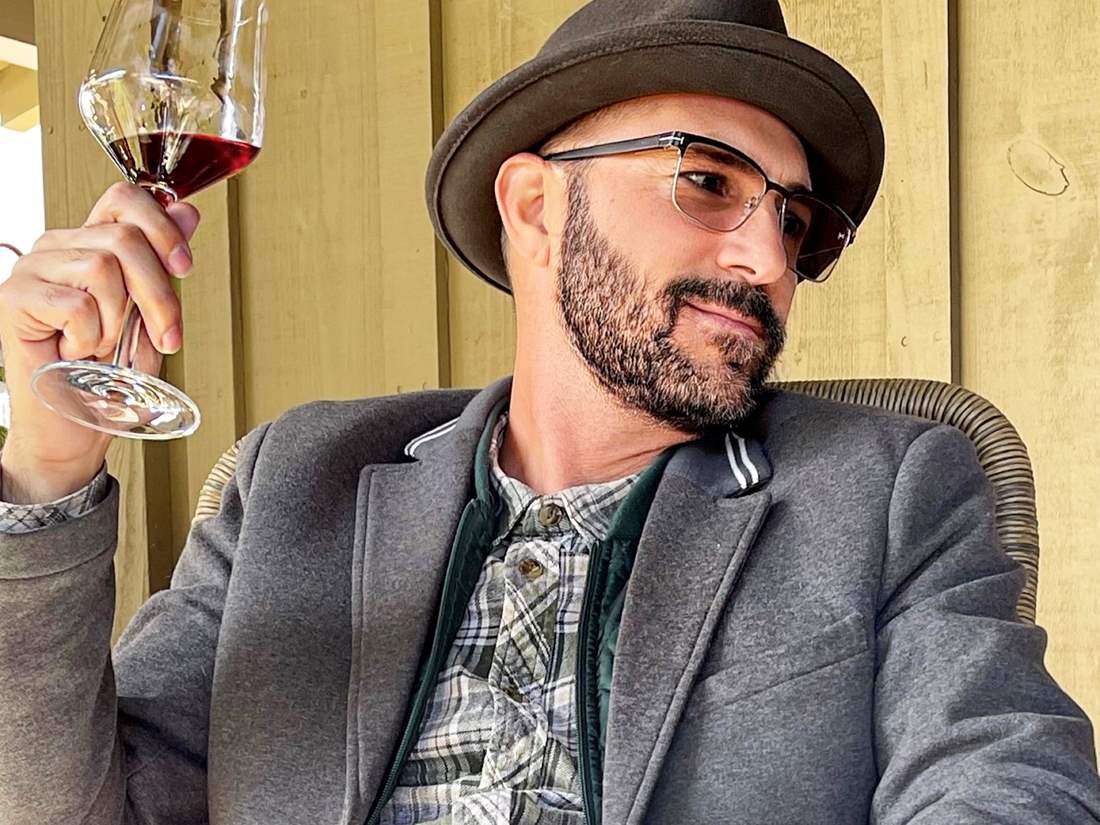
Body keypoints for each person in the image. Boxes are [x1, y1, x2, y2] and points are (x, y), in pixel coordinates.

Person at [1, 0, 1098, 822]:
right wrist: (46, 467)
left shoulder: (890, 487)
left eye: (796, 219)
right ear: (535, 202)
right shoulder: (297, 479)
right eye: (707, 181)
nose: (768, 257)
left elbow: (1002, 781)